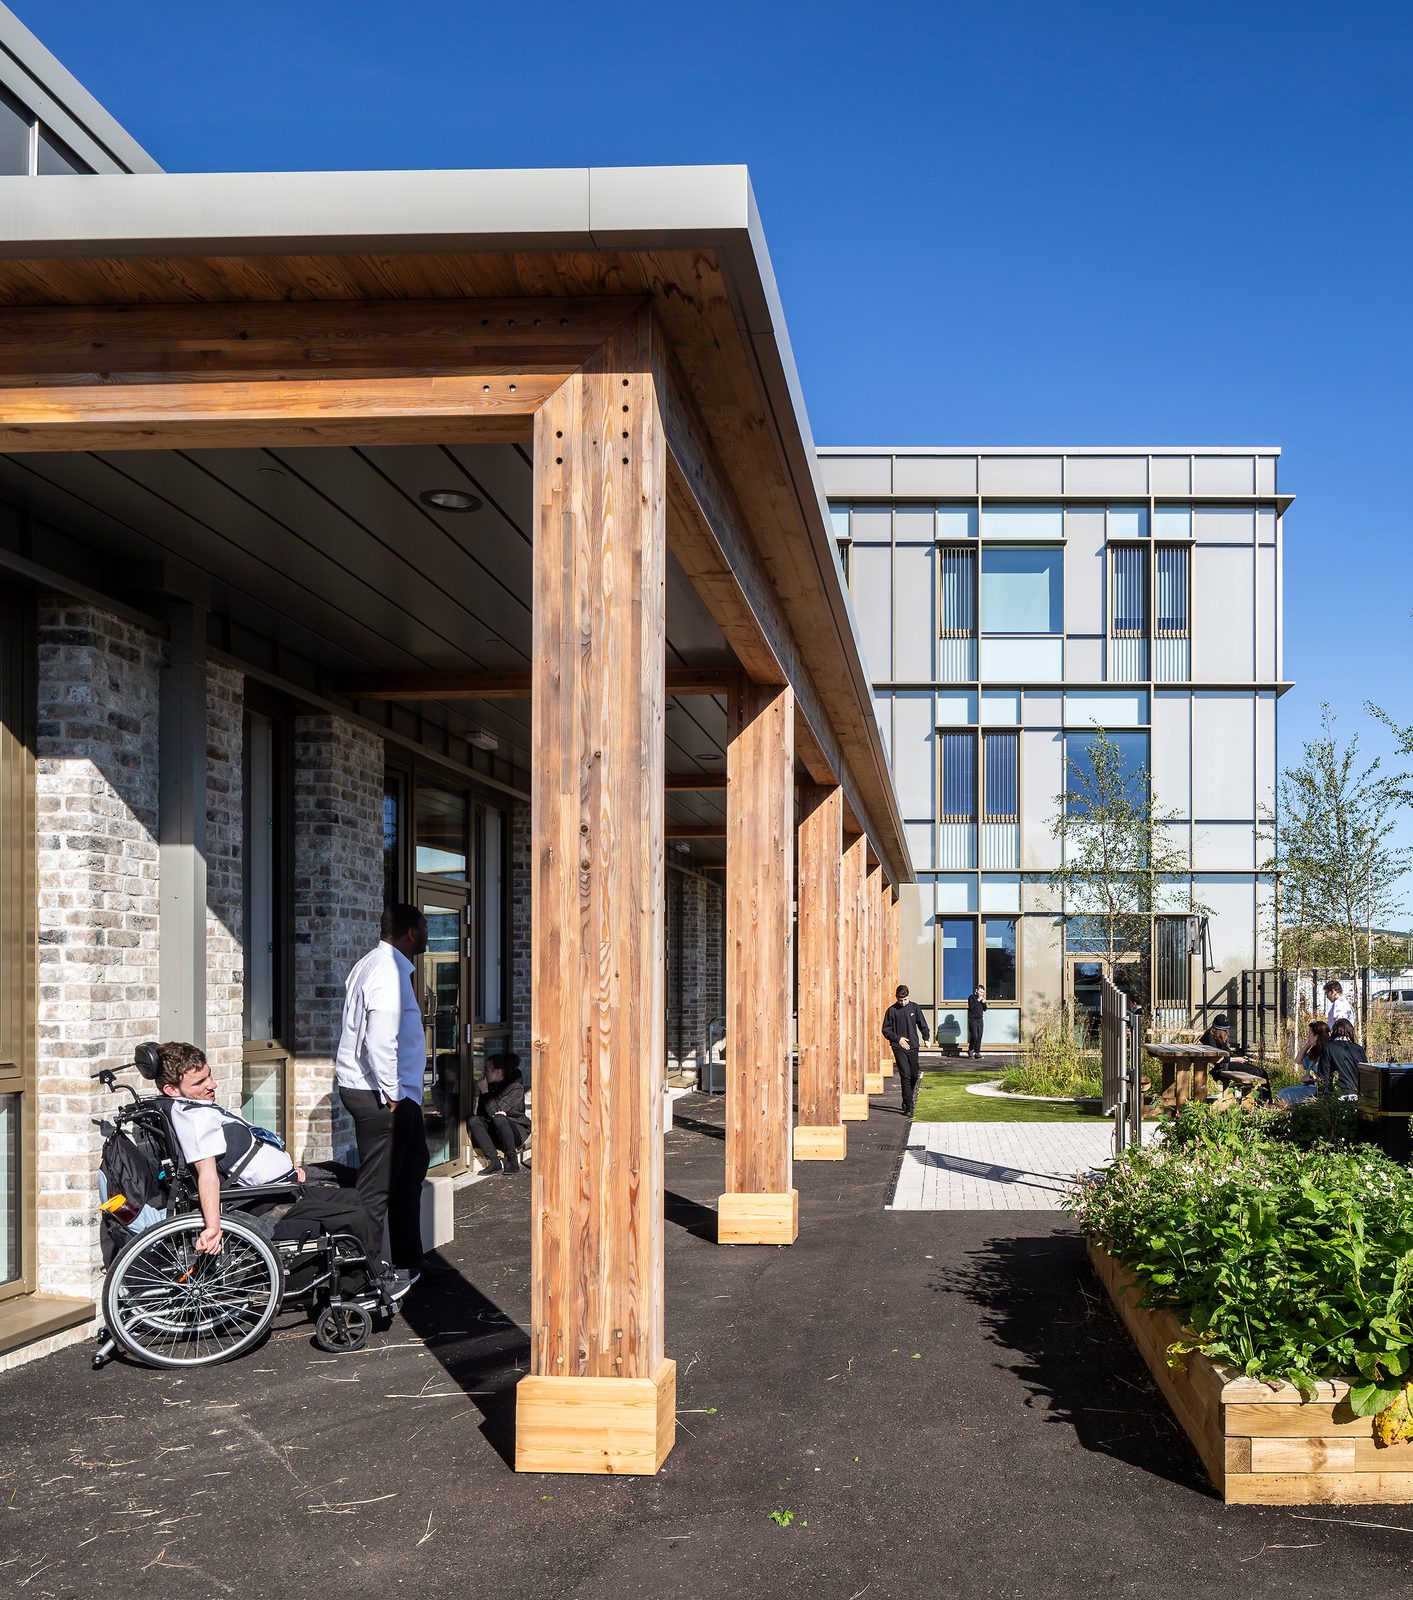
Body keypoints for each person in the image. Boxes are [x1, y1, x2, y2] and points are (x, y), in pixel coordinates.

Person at [155, 1041, 390, 1279]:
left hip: (284, 1184)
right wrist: (214, 1227)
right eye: (200, 1082)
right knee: (356, 1214)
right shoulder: (195, 1121)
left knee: (358, 1196)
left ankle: (364, 1272)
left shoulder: (195, 1107)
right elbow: (207, 1176)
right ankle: (363, 1284)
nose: (212, 1085)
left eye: (209, 1076)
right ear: (172, 1090)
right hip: (269, 1198)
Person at [335, 903, 431, 1297]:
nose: (427, 933)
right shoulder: (387, 972)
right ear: (411, 932)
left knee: (410, 1174)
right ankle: (367, 1278)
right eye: (425, 927)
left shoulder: (373, 964)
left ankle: (409, 1263)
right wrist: (393, 1095)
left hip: (390, 1094)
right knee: (377, 1189)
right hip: (381, 1096)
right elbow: (379, 1039)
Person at [467, 1051, 531, 1175]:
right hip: (495, 1131)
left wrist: (485, 1092)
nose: (483, 1073)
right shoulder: (488, 1086)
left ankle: (512, 1161)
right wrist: (485, 1092)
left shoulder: (515, 1087)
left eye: (486, 1070)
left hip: (515, 1131)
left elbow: (495, 1113)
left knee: (499, 1119)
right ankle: (494, 1162)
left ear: (498, 1072)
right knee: (474, 1120)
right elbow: (482, 1113)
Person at [882, 984, 930, 1118]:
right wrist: (898, 1039)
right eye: (900, 1000)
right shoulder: (892, 1011)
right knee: (906, 1075)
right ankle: (909, 1105)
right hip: (899, 1047)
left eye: (905, 1000)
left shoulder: (914, 1007)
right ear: (896, 998)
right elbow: (886, 1030)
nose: (903, 1003)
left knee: (915, 1075)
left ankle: (907, 1098)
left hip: (913, 1046)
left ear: (909, 996)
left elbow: (922, 1024)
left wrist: (926, 1038)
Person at [1200, 1014, 1271, 1100]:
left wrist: (1240, 1057)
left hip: (1229, 1062)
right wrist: (1237, 1059)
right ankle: (1259, 1100)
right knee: (1255, 1072)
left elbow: (1227, 1052)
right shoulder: (1210, 1038)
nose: (1226, 1033)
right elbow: (1217, 1058)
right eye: (1225, 1031)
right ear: (1218, 1030)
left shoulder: (1217, 1036)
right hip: (1224, 1065)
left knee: (1263, 1072)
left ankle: (1267, 1100)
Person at [1276, 1019, 1329, 1107]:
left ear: (1316, 1036)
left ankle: (1286, 1114)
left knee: (1284, 1095)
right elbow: (1298, 1060)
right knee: (1281, 1093)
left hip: (1317, 1089)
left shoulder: (1327, 1052)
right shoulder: (1314, 1051)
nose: (1308, 1037)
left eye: (1310, 1035)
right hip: (1308, 1086)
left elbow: (1325, 1078)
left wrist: (1310, 1079)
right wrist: (1308, 1044)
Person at [1323, 1017, 1367, 1095]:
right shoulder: (1359, 1049)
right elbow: (1365, 1074)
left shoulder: (1328, 1048)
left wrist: (1325, 1098)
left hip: (1337, 1095)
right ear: (1351, 1032)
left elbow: (1324, 1075)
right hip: (1358, 1094)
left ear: (1335, 1031)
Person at [966, 985, 987, 1060]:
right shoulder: (971, 997)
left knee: (979, 1036)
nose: (982, 994)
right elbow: (971, 1007)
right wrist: (978, 1000)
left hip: (980, 1019)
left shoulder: (981, 999)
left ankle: (977, 1052)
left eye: (983, 992)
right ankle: (970, 1050)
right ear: (976, 990)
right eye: (980, 992)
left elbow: (985, 1009)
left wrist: (984, 1003)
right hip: (973, 1019)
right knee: (974, 1035)